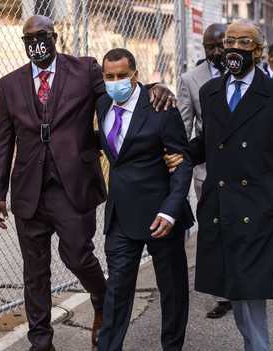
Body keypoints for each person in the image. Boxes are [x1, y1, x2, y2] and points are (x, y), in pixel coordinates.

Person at [0, 15, 174, 351]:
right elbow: (3, 142)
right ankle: (41, 342)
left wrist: (153, 88)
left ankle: (101, 297)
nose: (36, 43)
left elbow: (122, 92)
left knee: (76, 253)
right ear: (23, 42)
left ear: (54, 37)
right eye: (29, 38)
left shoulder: (85, 70)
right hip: (29, 188)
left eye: (42, 35)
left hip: (72, 185)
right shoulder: (9, 84)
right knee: (35, 271)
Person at [188, 20, 273, 351]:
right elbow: (209, 140)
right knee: (236, 291)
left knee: (249, 293)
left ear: (256, 49)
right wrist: (174, 151)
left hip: (258, 207)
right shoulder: (209, 92)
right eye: (229, 41)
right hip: (220, 205)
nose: (233, 48)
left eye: (242, 41)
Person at [96, 48, 193, 351]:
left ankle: (172, 347)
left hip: (160, 216)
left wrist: (170, 210)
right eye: (109, 77)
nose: (115, 82)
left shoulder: (161, 107)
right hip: (121, 215)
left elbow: (182, 162)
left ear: (135, 76)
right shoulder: (102, 104)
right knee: (117, 291)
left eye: (122, 76)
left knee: (172, 290)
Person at [177, 23, 233, 320]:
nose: (216, 51)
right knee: (215, 232)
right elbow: (184, 127)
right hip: (207, 171)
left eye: (221, 45)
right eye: (210, 46)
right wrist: (179, 167)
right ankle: (223, 295)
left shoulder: (247, 71)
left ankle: (242, 280)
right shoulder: (191, 79)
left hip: (246, 170)